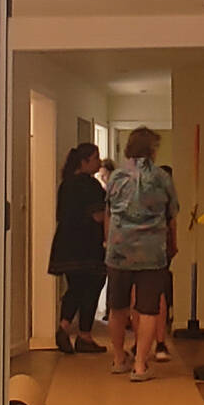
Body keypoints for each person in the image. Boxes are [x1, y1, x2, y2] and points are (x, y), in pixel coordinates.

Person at [103, 127, 178, 382]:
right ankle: (140, 365)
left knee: (117, 307)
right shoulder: (161, 178)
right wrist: (172, 244)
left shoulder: (115, 177)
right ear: (152, 149)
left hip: (119, 250)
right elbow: (172, 215)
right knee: (147, 308)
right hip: (151, 252)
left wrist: (108, 242)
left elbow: (109, 213)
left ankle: (118, 359)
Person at [47, 142, 107, 356]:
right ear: (85, 161)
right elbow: (98, 216)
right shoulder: (90, 186)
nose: (99, 162)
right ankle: (84, 335)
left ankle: (64, 325)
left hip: (66, 243)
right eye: (95, 158)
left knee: (75, 287)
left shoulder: (66, 184)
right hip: (87, 244)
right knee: (92, 287)